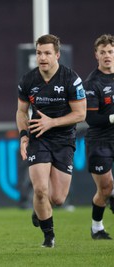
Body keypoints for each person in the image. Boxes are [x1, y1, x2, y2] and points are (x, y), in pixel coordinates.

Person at [16, 34, 86, 248]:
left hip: (64, 139)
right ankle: (49, 237)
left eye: (47, 53)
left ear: (57, 55)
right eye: (39, 53)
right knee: (40, 190)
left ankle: (40, 212)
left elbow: (80, 114)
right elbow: (21, 111)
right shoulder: (28, 80)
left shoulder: (70, 79)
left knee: (57, 199)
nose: (42, 57)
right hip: (39, 137)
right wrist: (23, 136)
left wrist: (52, 122)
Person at [84, 34, 114, 240]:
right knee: (105, 188)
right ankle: (97, 228)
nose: (107, 56)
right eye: (102, 52)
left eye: (110, 52)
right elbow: (92, 119)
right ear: (96, 55)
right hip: (100, 141)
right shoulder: (92, 83)